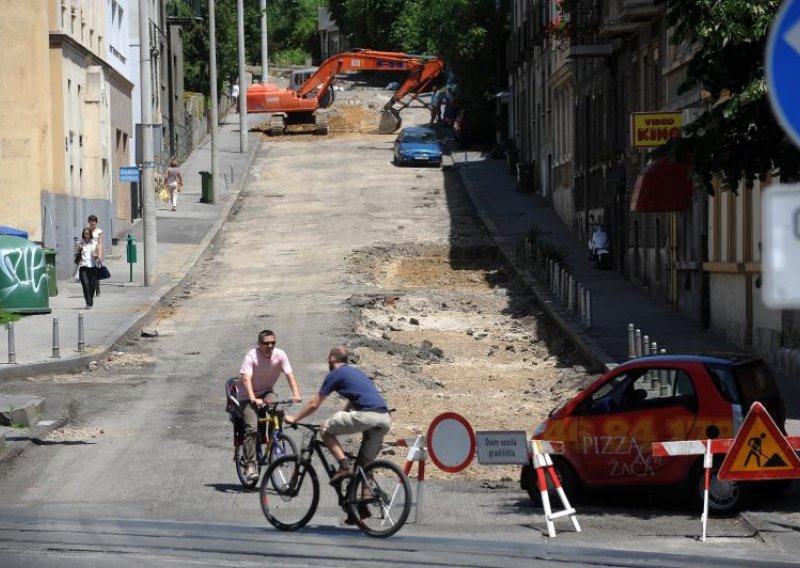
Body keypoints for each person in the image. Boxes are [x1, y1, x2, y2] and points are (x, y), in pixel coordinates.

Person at [285, 346, 391, 487]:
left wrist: (295, 418)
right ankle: (365, 502)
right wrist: (345, 415)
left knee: (325, 429)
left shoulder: (335, 374)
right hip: (385, 417)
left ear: (332, 359)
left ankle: (344, 466)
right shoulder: (355, 372)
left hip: (367, 415)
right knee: (365, 465)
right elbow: (355, 399)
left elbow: (313, 404)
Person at [238, 330, 302, 481]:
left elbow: (289, 375)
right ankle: (249, 465)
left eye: (273, 343)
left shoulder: (280, 355)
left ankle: (274, 440)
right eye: (266, 343)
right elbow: (246, 379)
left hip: (267, 392)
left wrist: (296, 394)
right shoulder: (251, 356)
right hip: (247, 396)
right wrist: (253, 398)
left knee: (279, 411)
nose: (270, 346)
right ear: (259, 344)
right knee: (252, 428)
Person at [75, 227, 99, 309]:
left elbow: (97, 254)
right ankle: (88, 303)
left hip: (93, 267)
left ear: (90, 234)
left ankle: (90, 300)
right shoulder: (81, 243)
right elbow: (76, 252)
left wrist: (96, 256)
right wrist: (79, 248)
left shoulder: (94, 243)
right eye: (85, 234)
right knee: (85, 285)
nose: (86, 235)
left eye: (88, 233)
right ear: (83, 234)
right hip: (83, 267)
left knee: (92, 286)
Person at [87, 214, 103, 297]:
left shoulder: (99, 231)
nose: (92, 224)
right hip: (87, 255)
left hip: (96, 254)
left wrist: (99, 255)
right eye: (91, 222)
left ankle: (97, 288)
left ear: (96, 223)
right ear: (89, 222)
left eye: (94, 222)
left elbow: (100, 244)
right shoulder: (86, 231)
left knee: (96, 273)